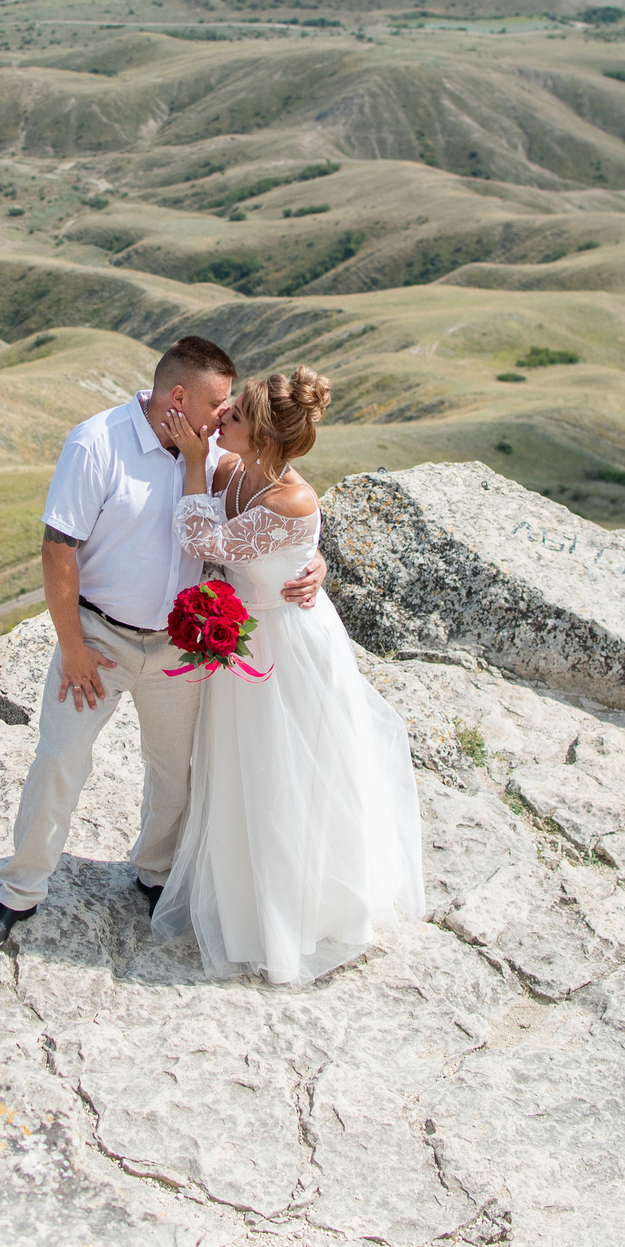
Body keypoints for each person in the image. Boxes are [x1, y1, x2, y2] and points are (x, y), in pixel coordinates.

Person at [0, 337, 327, 956]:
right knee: (59, 761)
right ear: (179, 397)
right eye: (219, 404)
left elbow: (277, 507)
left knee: (174, 772)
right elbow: (58, 550)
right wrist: (73, 646)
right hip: (98, 639)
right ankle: (19, 891)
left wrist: (311, 560)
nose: (224, 417)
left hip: (180, 649)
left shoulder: (214, 448)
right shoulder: (95, 443)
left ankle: (155, 873)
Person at [152, 368, 424, 984]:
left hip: (284, 646)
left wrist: (195, 465)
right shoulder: (236, 468)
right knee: (240, 771)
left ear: (267, 439)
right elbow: (247, 545)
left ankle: (293, 914)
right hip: (245, 639)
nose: (224, 420)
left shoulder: (290, 499)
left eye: (238, 416)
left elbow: (201, 539)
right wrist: (309, 557)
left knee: (285, 774)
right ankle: (240, 897)